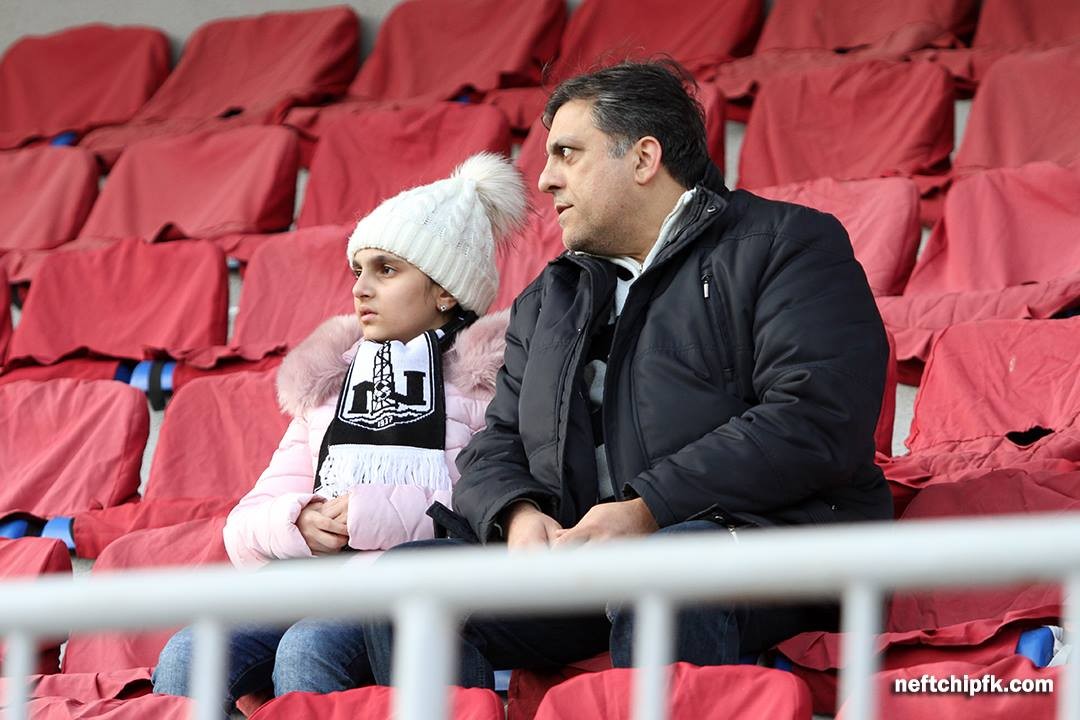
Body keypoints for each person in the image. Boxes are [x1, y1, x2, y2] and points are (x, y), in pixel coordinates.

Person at [363, 60, 893, 688]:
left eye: (567, 153)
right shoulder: (548, 298)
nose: (545, 179)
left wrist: (646, 510)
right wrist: (518, 514)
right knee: (408, 587)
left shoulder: (788, 244)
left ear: (643, 159)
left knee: (666, 570)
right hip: (589, 554)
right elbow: (497, 443)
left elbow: (815, 418)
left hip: (760, 540)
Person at [152, 152, 526, 710]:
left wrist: (368, 514)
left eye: (387, 270)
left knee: (309, 648)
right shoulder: (331, 384)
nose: (361, 289)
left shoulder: (488, 386)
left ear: (445, 291)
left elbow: (481, 506)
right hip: (307, 580)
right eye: (359, 270)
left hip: (402, 593)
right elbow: (245, 523)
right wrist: (299, 521)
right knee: (188, 652)